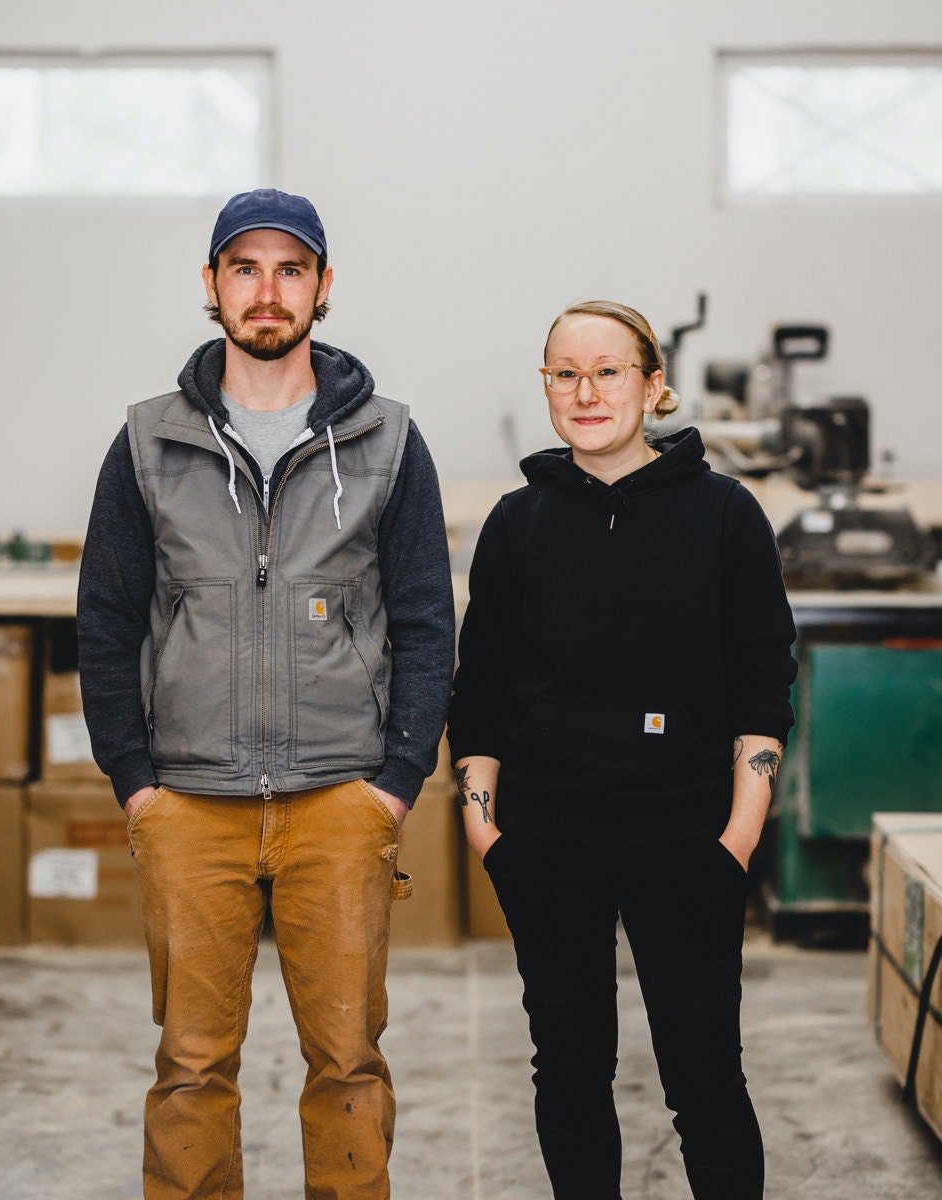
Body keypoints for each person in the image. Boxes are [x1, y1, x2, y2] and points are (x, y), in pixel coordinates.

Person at [78, 187, 455, 1200]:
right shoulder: (148, 442)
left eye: (290, 269)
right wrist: (135, 782)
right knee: (193, 1067)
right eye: (245, 268)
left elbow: (425, 619)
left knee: (347, 1068)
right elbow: (107, 622)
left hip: (338, 799)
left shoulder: (386, 441)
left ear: (322, 287)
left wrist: (396, 779)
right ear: (212, 286)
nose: (267, 290)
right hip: (188, 802)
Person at [447, 300, 797, 1200]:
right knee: (568, 1073)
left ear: (653, 384)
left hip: (686, 841)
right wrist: (487, 830)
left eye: (608, 371)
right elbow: (479, 691)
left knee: (705, 1079)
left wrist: (739, 836)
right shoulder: (517, 524)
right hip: (548, 842)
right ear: (548, 388)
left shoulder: (724, 515)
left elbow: (762, 685)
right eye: (565, 373)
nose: (586, 391)